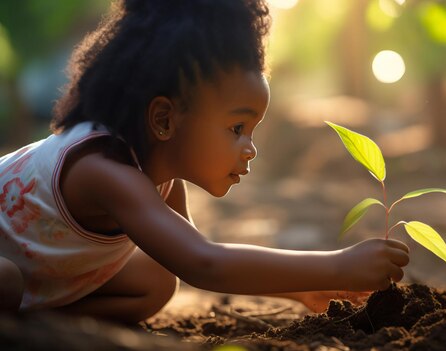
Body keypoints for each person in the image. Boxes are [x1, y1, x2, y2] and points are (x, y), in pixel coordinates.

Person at [0, 0, 410, 324]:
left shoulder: (161, 180)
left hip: (35, 276)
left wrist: (298, 289)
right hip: (10, 270)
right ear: (164, 119)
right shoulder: (102, 170)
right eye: (237, 128)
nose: (250, 148)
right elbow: (205, 263)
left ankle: (42, 320)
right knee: (7, 281)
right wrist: (335, 267)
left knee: (157, 280)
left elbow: (190, 255)